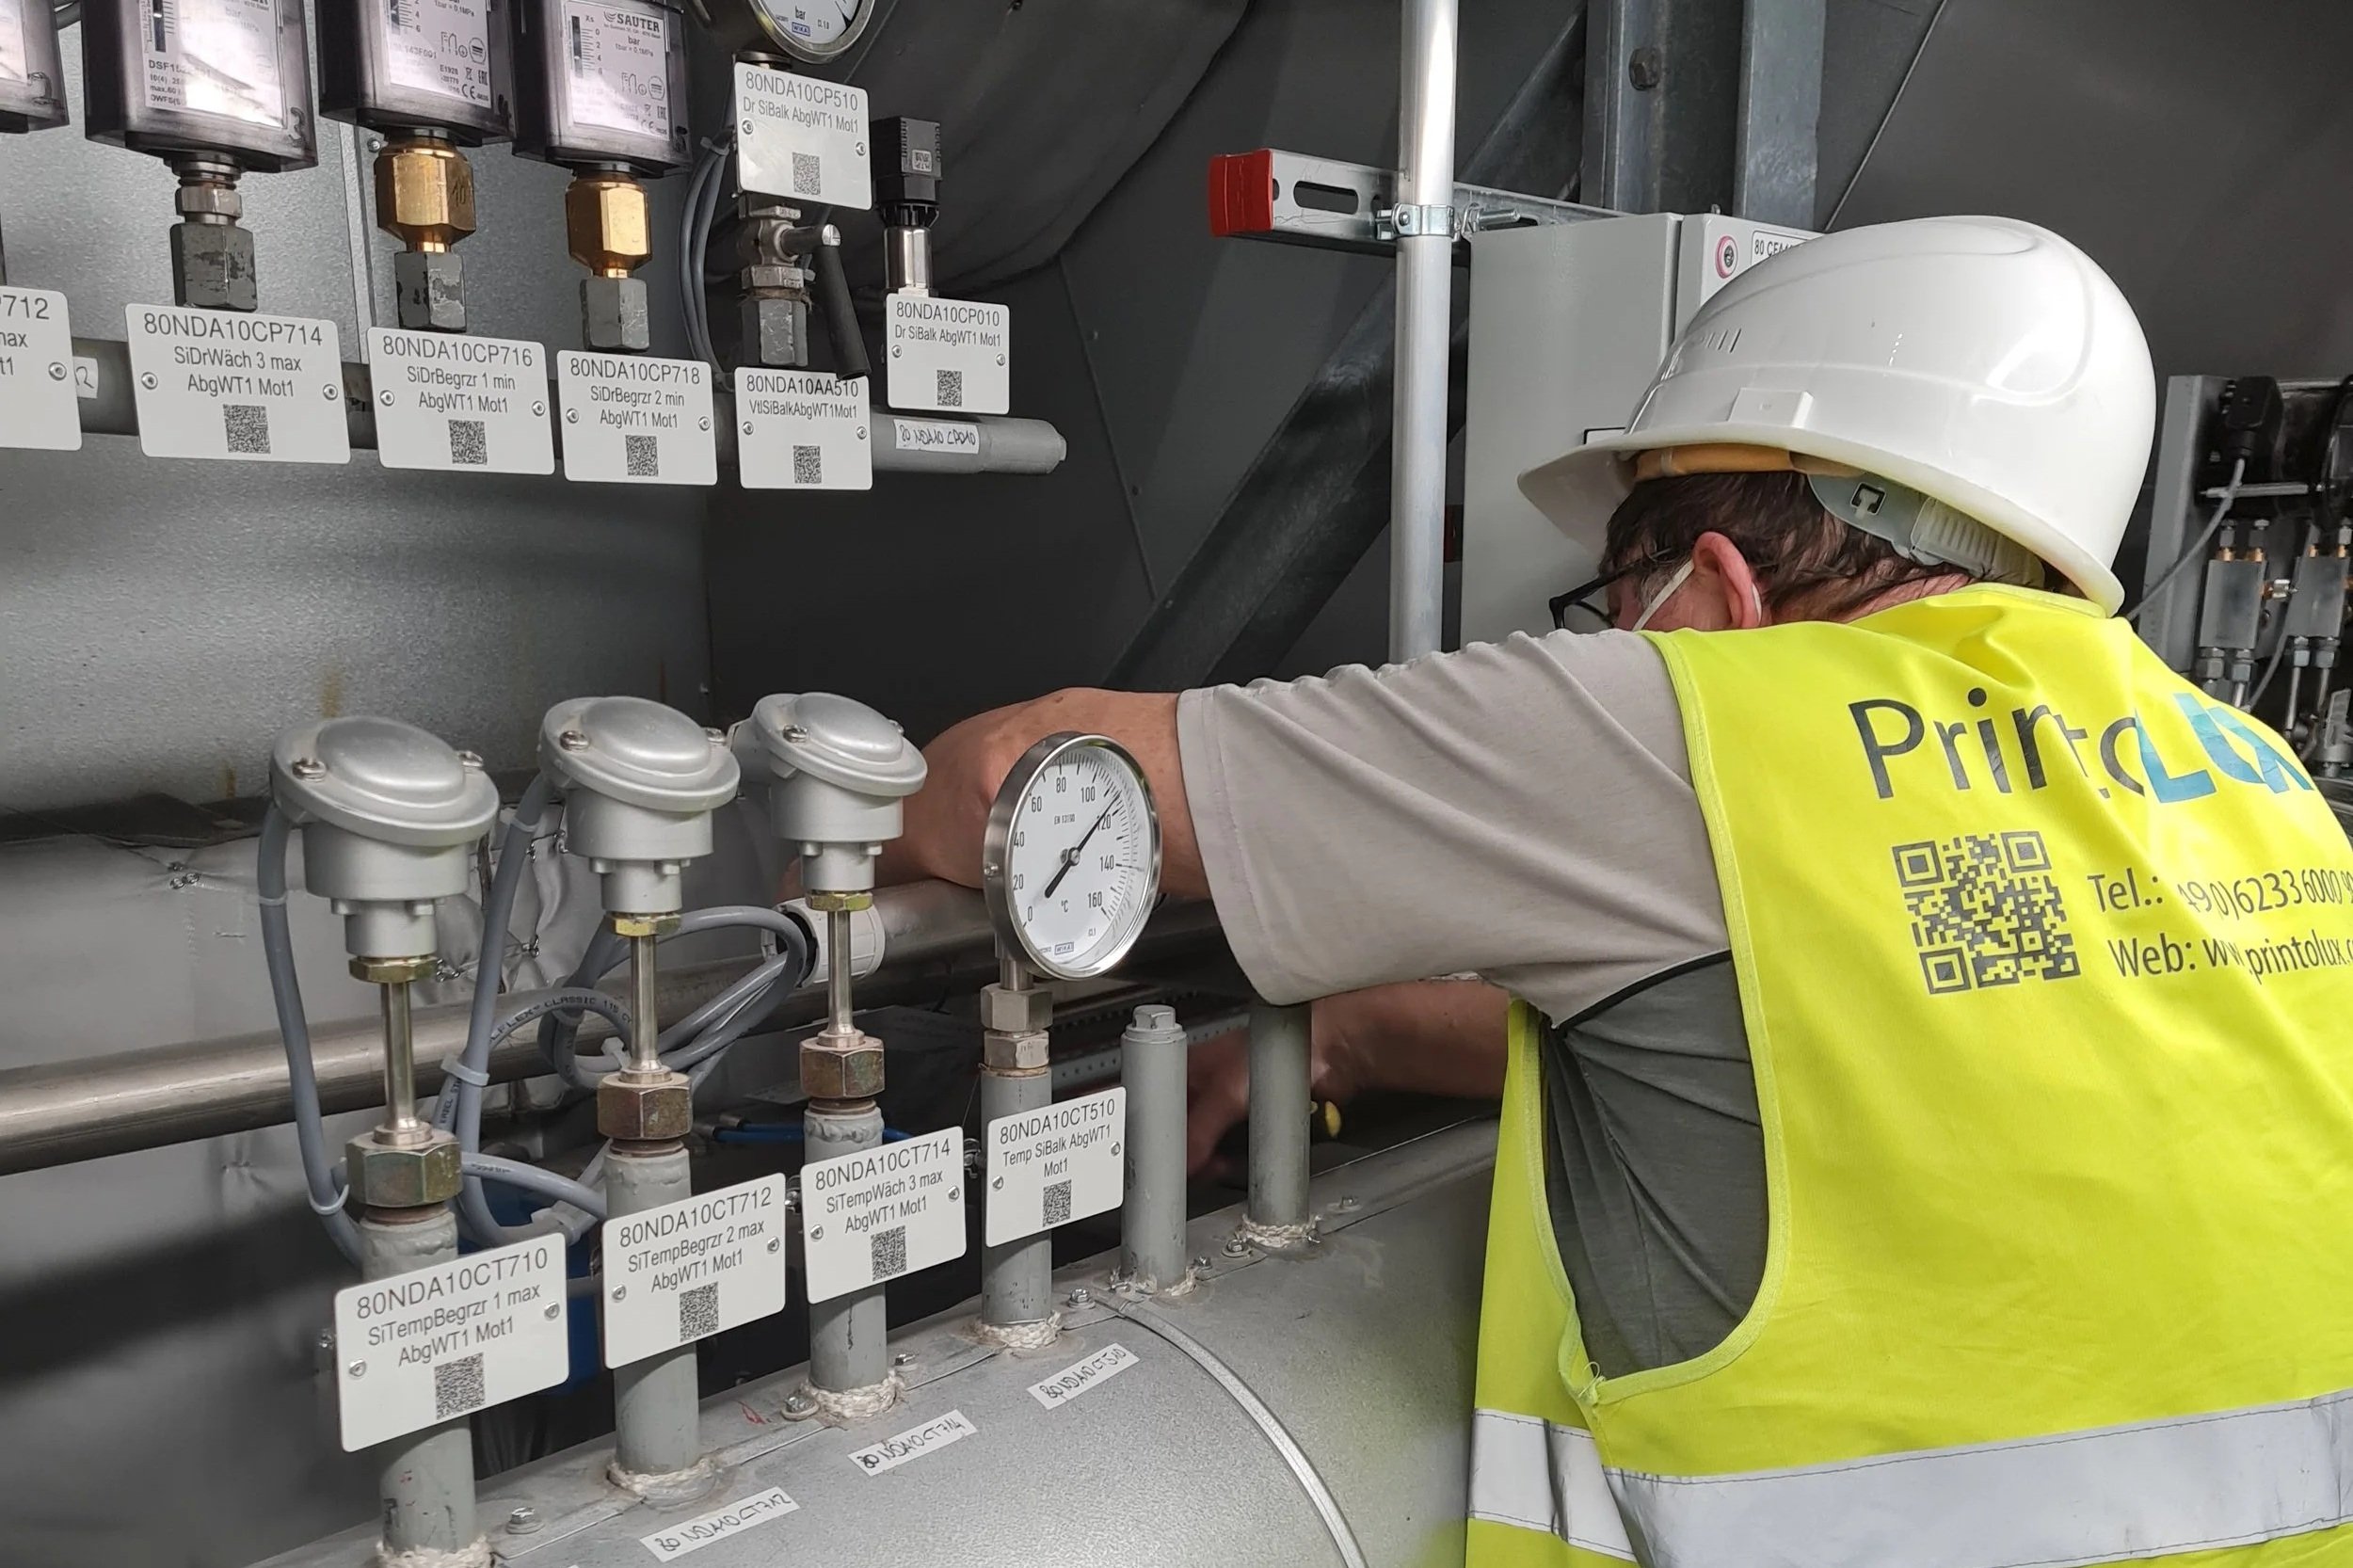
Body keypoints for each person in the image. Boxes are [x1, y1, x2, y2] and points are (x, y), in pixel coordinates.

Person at [886, 216, 2353, 1565]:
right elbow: (1850, 1046)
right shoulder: (2250, 776)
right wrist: (1356, 1034)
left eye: (1613, 593)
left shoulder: (1690, 722)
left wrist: (850, 890)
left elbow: (1021, 771)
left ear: (1709, 588)